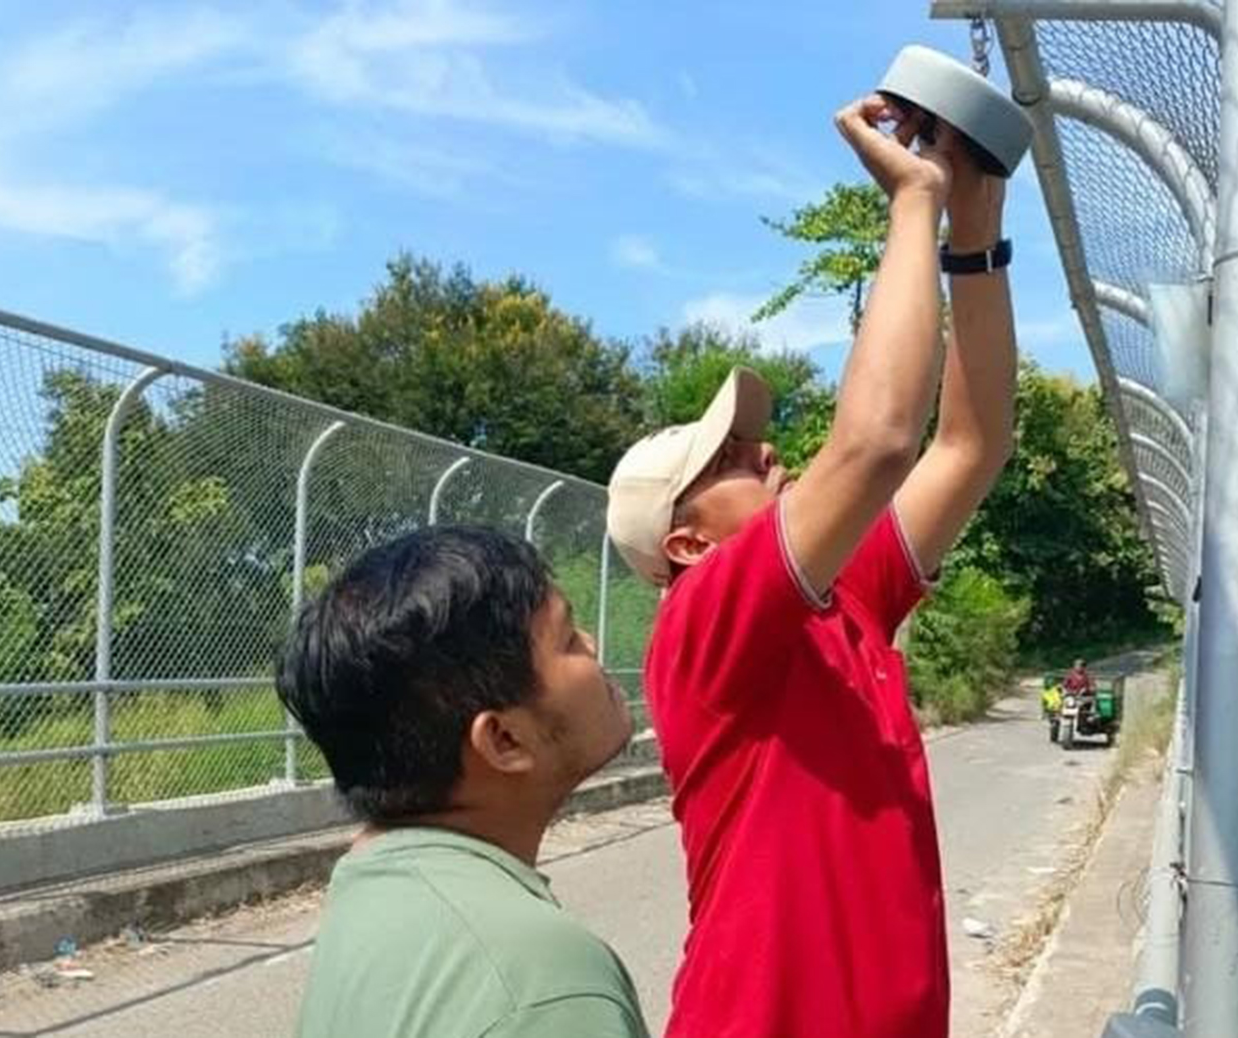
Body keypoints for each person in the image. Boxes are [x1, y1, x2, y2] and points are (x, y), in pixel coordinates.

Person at [606, 93, 1017, 1038]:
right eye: (728, 461)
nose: (762, 454)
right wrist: (913, 201)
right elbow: (876, 442)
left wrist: (974, 239)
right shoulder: (703, 624)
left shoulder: (846, 603)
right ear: (686, 545)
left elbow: (973, 444)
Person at [276, 526, 649, 1038]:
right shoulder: (539, 983)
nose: (593, 643)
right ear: (504, 740)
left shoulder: (373, 891)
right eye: (567, 639)